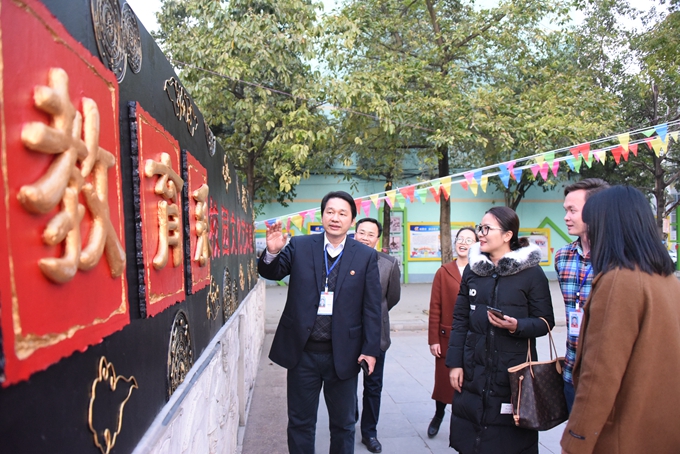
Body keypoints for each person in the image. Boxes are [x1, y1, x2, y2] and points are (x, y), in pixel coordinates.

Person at [258, 191, 382, 454]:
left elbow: (372, 308)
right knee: (300, 423)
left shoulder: (365, 256)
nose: (335, 218)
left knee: (344, 425)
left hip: (344, 355)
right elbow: (272, 272)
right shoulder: (300, 246)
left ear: (351, 220)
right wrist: (271, 252)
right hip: (302, 354)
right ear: (322, 215)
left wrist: (370, 350)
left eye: (342, 213)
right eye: (330, 212)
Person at [560, 186, 680, 454]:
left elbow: (600, 374)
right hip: (660, 429)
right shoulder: (667, 279)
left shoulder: (619, 281)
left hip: (622, 434)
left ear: (608, 225)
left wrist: (576, 440)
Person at [446, 206, 554, 454]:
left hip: (513, 373)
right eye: (480, 228)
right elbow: (460, 319)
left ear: (507, 235)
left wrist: (518, 326)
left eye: (487, 229)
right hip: (474, 369)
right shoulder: (473, 270)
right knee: (470, 438)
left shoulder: (531, 273)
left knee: (508, 442)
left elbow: (546, 321)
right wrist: (455, 364)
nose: (480, 234)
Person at [554, 178, 609, 412]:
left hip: (607, 377)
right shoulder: (562, 257)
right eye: (565, 210)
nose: (566, 217)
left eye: (572, 210)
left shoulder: (617, 258)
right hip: (571, 373)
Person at [354, 217, 401, 453]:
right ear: (354, 234)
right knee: (345, 382)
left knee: (373, 386)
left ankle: (369, 433)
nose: (365, 238)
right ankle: (349, 415)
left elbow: (391, 298)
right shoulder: (342, 258)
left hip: (376, 335)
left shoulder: (389, 264)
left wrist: (375, 316)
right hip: (346, 335)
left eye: (370, 234)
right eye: (361, 232)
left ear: (377, 239)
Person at [426, 227, 478, 438]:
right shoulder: (444, 271)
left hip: (474, 337)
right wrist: (433, 339)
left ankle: (466, 422)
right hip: (447, 337)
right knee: (444, 382)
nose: (463, 243)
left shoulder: (480, 270)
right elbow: (435, 307)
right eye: (460, 239)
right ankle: (438, 415)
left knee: (470, 383)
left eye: (469, 240)